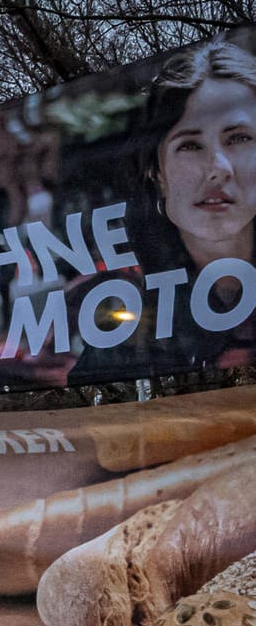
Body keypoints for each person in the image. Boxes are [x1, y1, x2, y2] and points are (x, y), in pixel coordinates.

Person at [75, 38, 256, 378]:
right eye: (190, 145)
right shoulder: (127, 328)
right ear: (157, 173)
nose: (218, 167)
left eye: (238, 138)